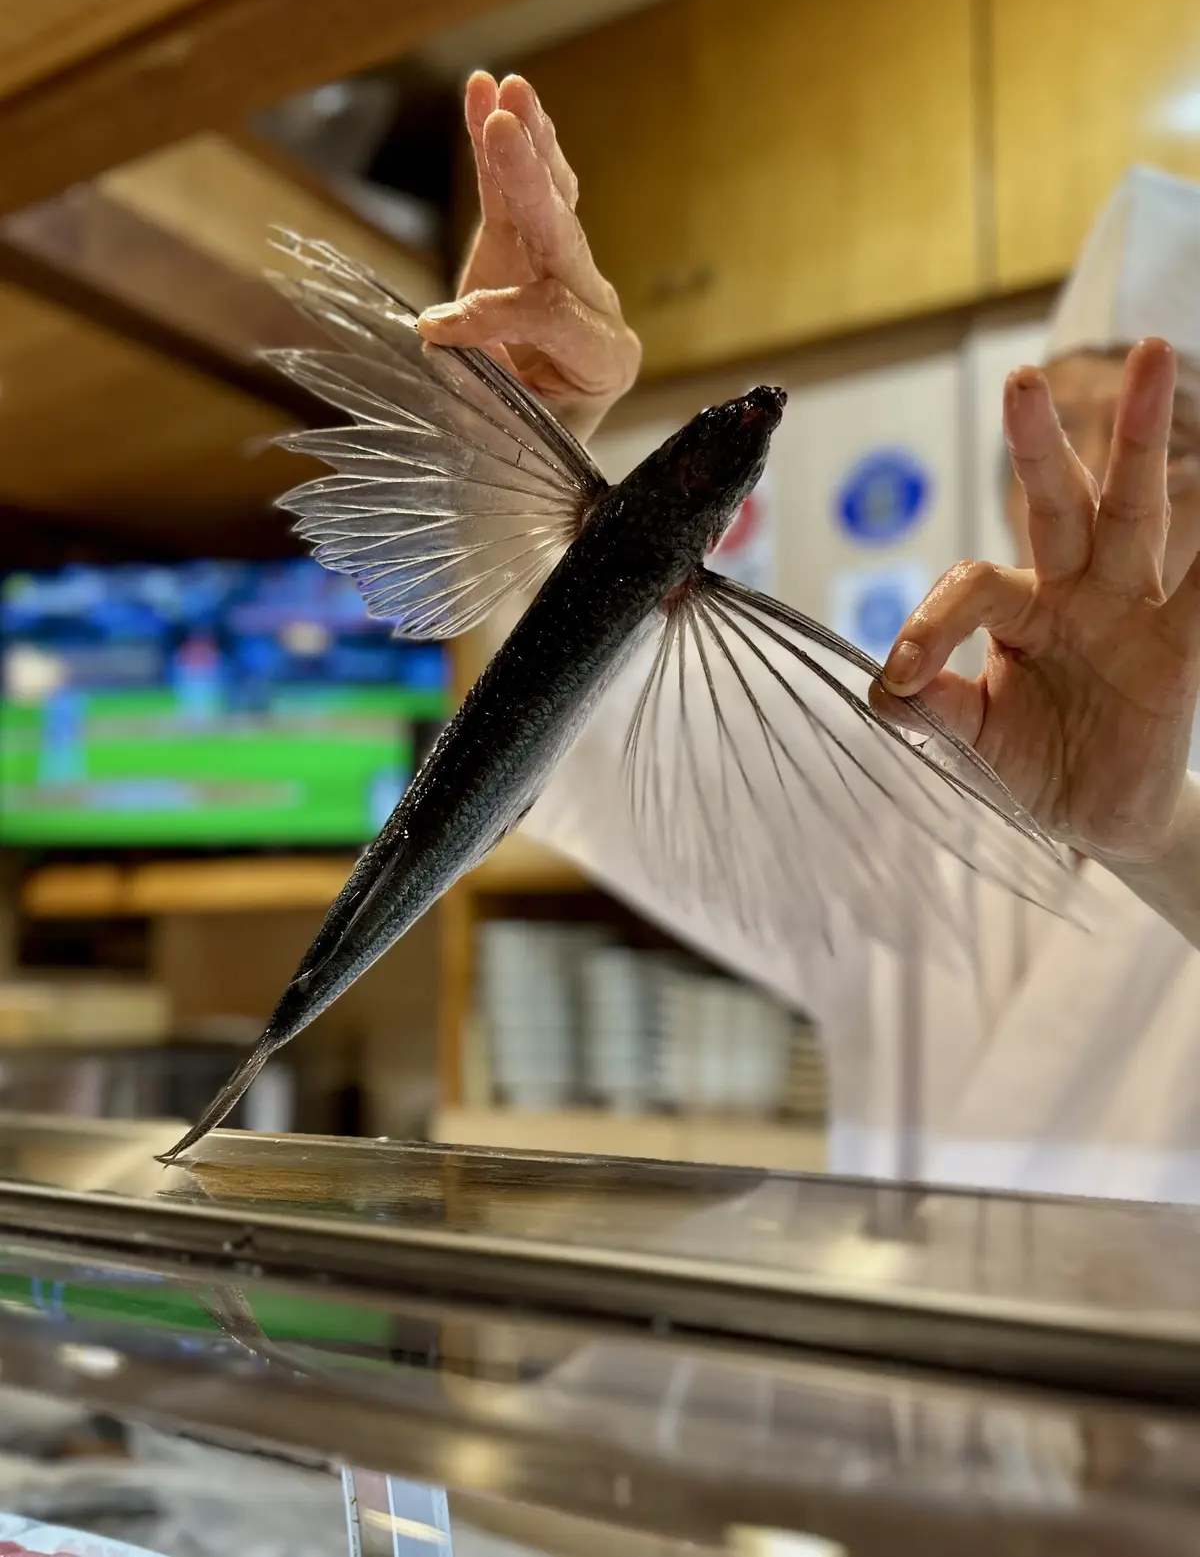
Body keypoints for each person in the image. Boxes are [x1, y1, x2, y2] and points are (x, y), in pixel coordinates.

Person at [422, 74, 1200, 1201]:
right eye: (1050, 433)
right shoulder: (917, 789)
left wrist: (1156, 830)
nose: (1075, 478)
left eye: (1151, 442)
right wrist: (519, 450)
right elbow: (610, 720)